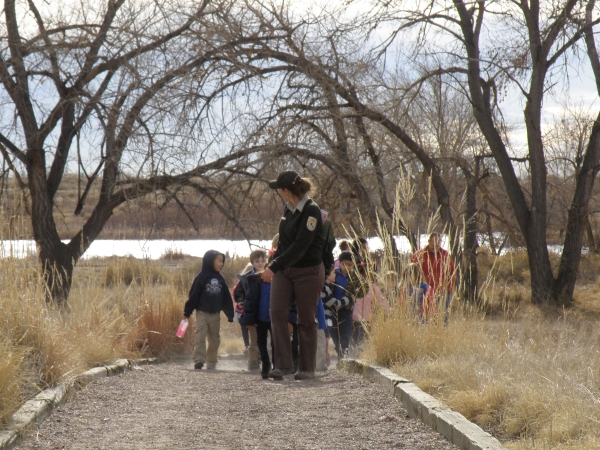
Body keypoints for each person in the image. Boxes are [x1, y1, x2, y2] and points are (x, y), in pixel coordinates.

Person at [261, 170, 325, 381]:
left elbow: (300, 246)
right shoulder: (287, 209)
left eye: (278, 189)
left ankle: (307, 368)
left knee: (306, 319)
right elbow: (285, 244)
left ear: (286, 191)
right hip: (285, 270)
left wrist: (275, 265)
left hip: (308, 271)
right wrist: (274, 263)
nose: (277, 192)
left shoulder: (312, 211)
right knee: (277, 312)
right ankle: (283, 365)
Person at [183, 250, 234, 370]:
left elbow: (226, 298)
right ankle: (199, 359)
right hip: (202, 313)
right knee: (200, 336)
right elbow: (194, 296)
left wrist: (230, 314)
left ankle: (212, 360)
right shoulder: (201, 277)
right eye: (219, 261)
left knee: (215, 339)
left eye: (222, 261)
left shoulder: (220, 279)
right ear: (210, 261)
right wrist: (187, 312)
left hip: (216, 314)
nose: (221, 264)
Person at [409, 232, 456, 322]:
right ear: (428, 241)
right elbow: (411, 271)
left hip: (442, 291)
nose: (434, 246)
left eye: (437, 244)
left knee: (443, 317)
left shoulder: (445, 255)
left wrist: (448, 289)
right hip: (424, 291)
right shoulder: (419, 255)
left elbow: (452, 273)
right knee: (423, 317)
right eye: (432, 243)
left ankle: (442, 333)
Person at [234, 250, 267, 371]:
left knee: (267, 340)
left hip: (266, 312)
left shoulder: (270, 276)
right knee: (253, 340)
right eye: (257, 261)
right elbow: (238, 291)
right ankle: (253, 362)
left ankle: (266, 361)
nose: (260, 263)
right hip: (252, 313)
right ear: (252, 263)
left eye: (263, 260)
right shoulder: (247, 278)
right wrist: (241, 300)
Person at [351, 273, 390, 349]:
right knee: (353, 341)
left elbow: (381, 300)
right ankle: (352, 355)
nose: (365, 277)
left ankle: (360, 357)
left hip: (367, 320)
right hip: (353, 319)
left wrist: (388, 310)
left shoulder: (373, 288)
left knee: (363, 342)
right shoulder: (353, 286)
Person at [329, 251, 356, 358]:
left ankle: (344, 352)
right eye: (344, 264)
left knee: (345, 330)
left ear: (353, 265)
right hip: (334, 307)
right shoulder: (334, 274)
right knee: (334, 330)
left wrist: (356, 295)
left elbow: (364, 287)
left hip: (347, 308)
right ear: (339, 263)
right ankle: (337, 347)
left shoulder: (354, 276)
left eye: (350, 265)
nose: (346, 267)